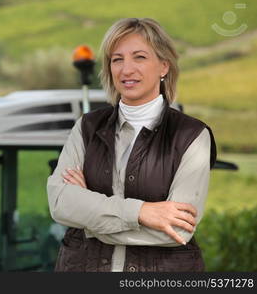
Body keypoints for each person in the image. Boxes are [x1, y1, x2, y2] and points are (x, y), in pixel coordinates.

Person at [47, 18, 217, 272]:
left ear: (163, 66)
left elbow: (177, 231)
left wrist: (89, 221)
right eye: (117, 59)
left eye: (139, 57)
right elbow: (60, 203)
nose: (126, 69)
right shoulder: (86, 127)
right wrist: (142, 212)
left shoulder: (191, 135)